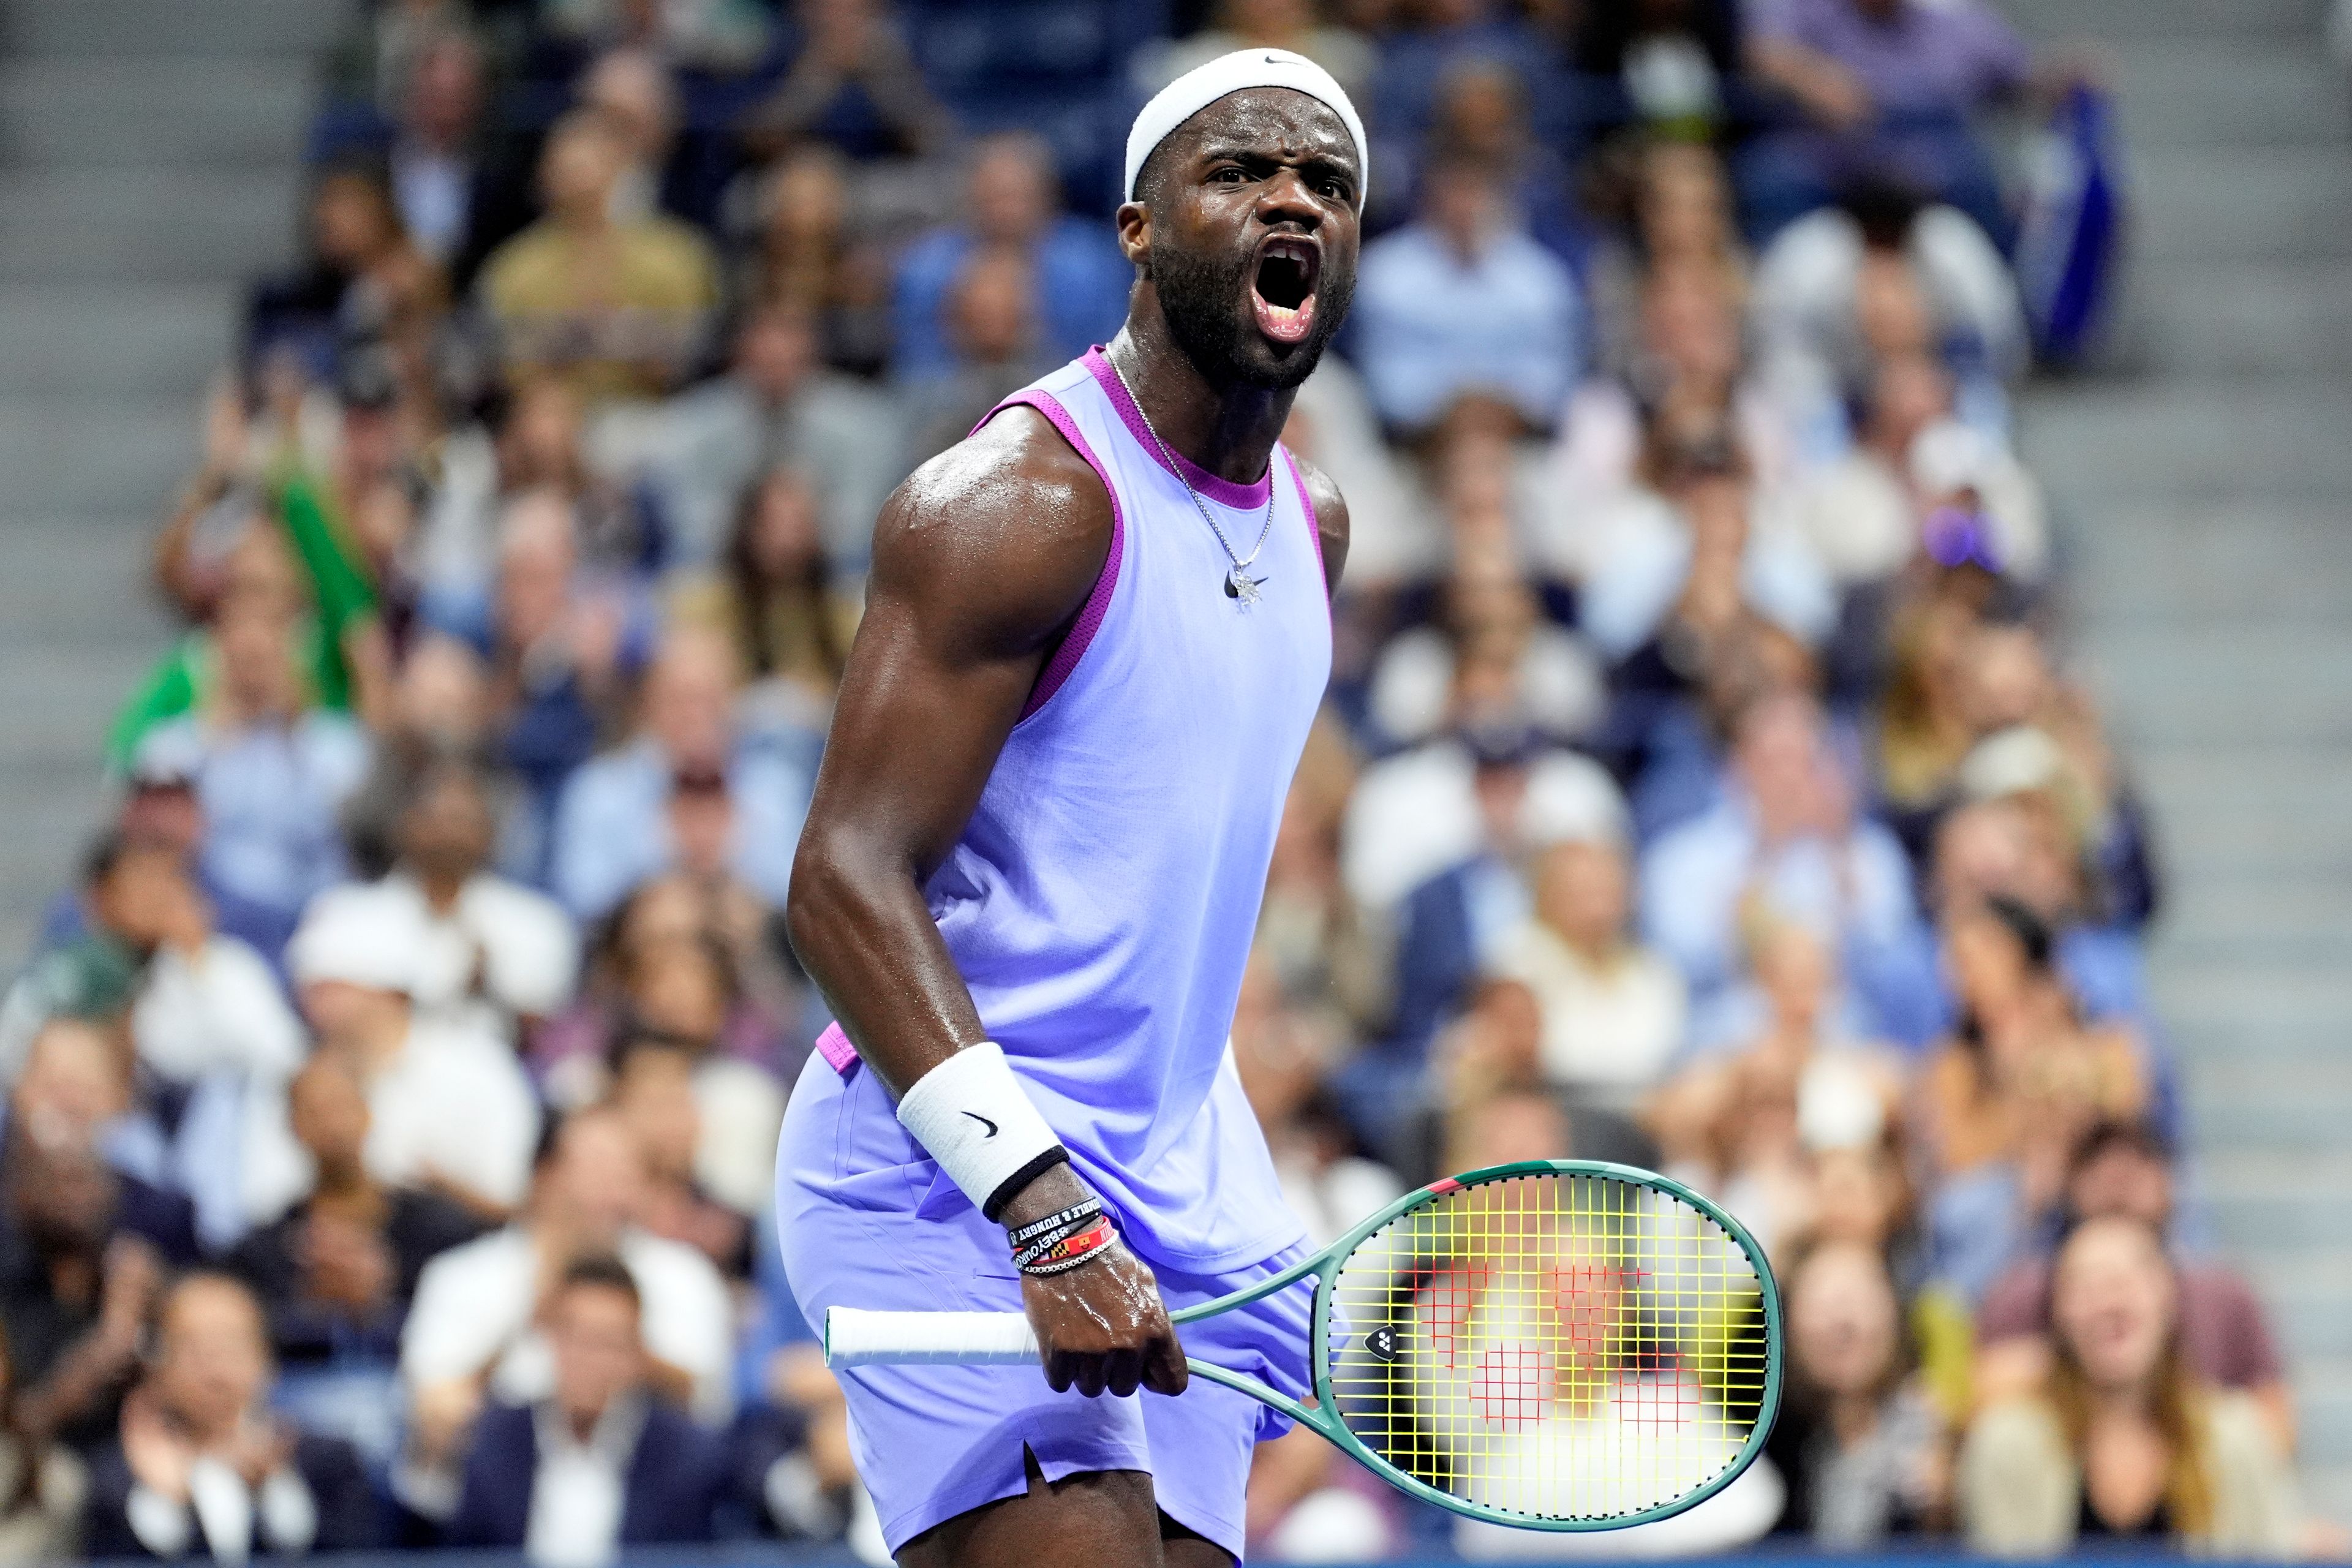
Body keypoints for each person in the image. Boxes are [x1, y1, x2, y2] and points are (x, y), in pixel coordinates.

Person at [777, 48, 1363, 1567]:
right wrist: (1041, 1207)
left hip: (1173, 1175)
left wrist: (1222, 1172)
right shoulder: (1017, 505)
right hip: (951, 1171)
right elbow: (840, 876)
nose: (1290, 197)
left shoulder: (1316, 522)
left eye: (1325, 182)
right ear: (1136, 230)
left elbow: (1149, 903)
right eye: (1237, 173)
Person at [1957, 1216, 2302, 1555]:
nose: (2110, 1303)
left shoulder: (2236, 1439)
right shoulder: (2007, 1444)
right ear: (2059, 1313)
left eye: (2129, 1281)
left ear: (2169, 1299)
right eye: (2088, 1286)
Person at [1973, 1120, 2290, 1443]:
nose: (2117, 1186)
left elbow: (2277, 1428)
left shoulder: (2224, 1294)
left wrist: (2172, 1407)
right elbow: (1971, 1405)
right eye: (2097, 1169)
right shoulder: (2022, 1290)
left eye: (2136, 1167)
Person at [445, 1256, 729, 1560]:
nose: (591, 1360)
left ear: (637, 1353)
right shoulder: (495, 1439)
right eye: (577, 1338)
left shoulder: (685, 1455)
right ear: (550, 1339)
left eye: (608, 1342)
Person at [287, 883, 544, 1218]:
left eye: (333, 989)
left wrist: (437, 1189)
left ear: (386, 991)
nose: (314, 1004)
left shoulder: (476, 1066)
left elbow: (510, 1197)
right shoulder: (301, 1075)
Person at [80, 1274, 379, 1559]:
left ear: (268, 1362)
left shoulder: (330, 1466)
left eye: (232, 1348)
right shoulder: (117, 1483)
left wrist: (275, 1490)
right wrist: (175, 1497)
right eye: (196, 1351)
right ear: (159, 1368)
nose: (217, 1374)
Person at [549, 625, 816, 921]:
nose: (695, 716)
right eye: (679, 700)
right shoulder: (599, 790)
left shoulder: (776, 787)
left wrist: (730, 859)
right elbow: (583, 898)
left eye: (708, 699)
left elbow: (798, 899)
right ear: (647, 705)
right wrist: (668, 854)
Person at [480, 110, 720, 402]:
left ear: (620, 168)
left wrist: (641, 342)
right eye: (566, 170)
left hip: (651, 413)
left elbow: (695, 354)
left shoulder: (673, 258)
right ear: (544, 177)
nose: (579, 181)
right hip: (549, 417)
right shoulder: (516, 267)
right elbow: (499, 364)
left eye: (588, 166)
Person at [1765, 1239, 1945, 1545]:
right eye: (1823, 1304)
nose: (1842, 1323)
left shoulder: (1939, 1433)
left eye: (1859, 1301)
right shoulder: (1751, 1446)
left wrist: (1944, 1508)